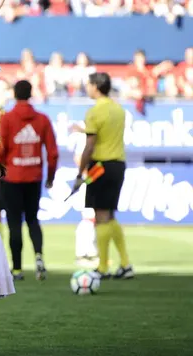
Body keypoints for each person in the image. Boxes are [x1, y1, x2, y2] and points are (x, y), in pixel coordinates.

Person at [0, 79, 59, 281]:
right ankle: (39, 258)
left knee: (14, 222)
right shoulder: (42, 119)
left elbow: (1, 150)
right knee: (33, 220)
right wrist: (50, 177)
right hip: (34, 177)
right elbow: (52, 153)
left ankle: (16, 269)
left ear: (14, 94)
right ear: (31, 94)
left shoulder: (6, 119)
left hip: (12, 179)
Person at [74, 72, 133, 279]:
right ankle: (125, 264)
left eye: (88, 84)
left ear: (96, 87)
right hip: (118, 164)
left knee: (100, 215)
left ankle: (103, 267)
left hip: (100, 166)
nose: (87, 88)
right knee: (110, 214)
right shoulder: (119, 110)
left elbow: (90, 146)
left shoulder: (93, 112)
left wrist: (80, 172)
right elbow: (105, 134)